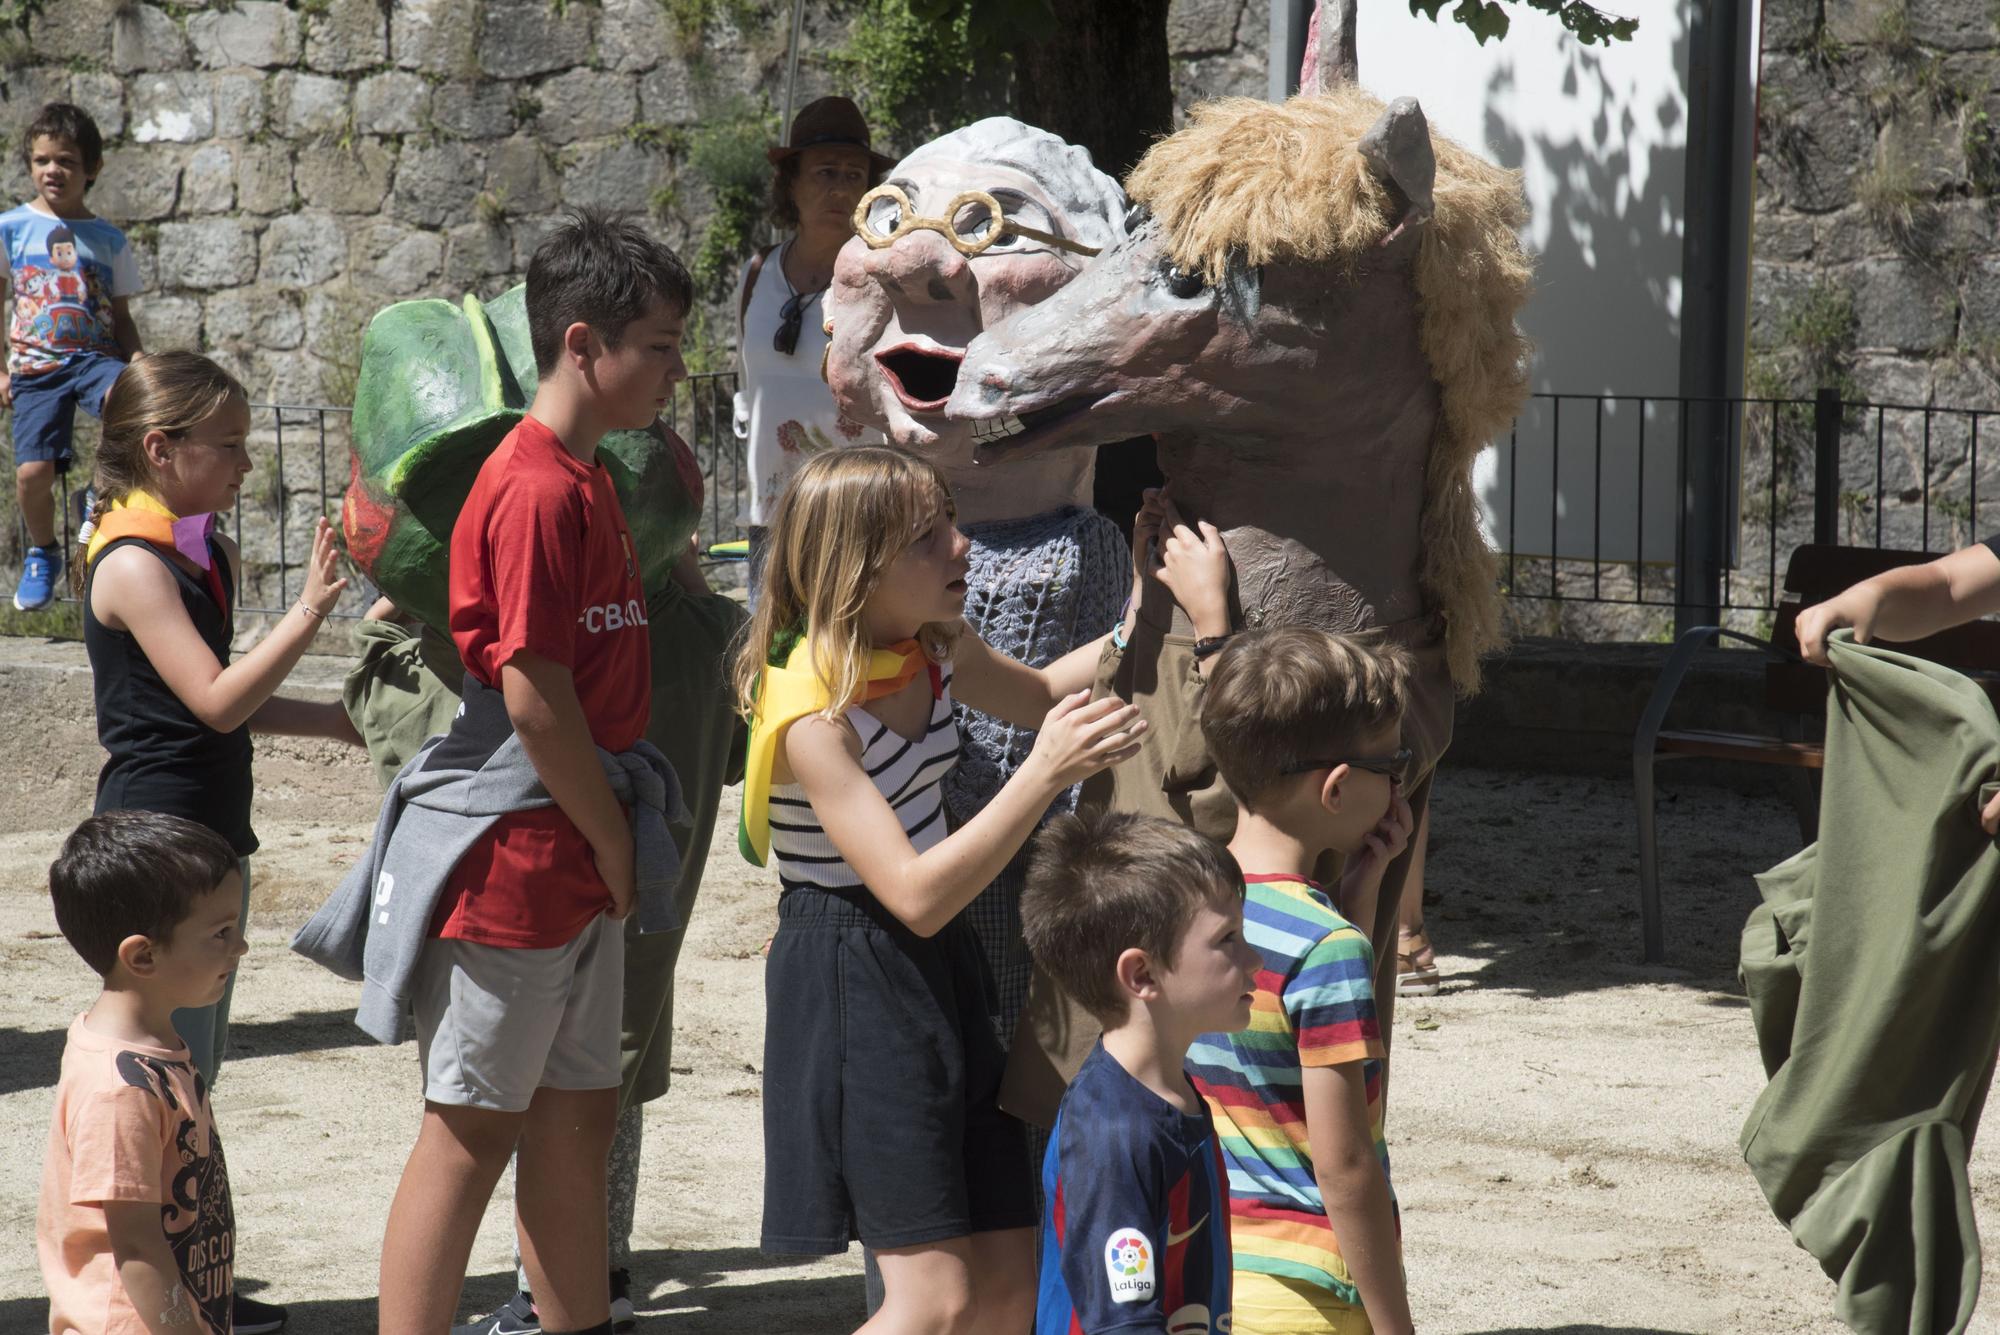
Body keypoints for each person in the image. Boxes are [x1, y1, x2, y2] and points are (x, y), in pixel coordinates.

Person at [733, 444, 1233, 1333]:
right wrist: (1041, 778)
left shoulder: (927, 645)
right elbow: (914, 894)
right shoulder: (814, 718)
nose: (964, 548)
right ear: (860, 569)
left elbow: (1041, 692)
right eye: (932, 539)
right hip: (854, 974)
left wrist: (1144, 609)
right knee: (934, 1299)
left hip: (937, 967)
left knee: (1009, 1283)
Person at [370, 210, 687, 1335]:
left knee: (577, 1122)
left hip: (574, 856)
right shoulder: (537, 486)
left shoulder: (591, 475)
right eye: (657, 346)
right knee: (468, 1138)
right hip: (515, 867)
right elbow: (533, 699)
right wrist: (611, 840)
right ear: (583, 344)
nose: (673, 372)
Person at [79, 350, 356, 1335]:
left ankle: (189, 1282)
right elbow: (211, 696)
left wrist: (331, 718)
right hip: (156, 847)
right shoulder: (131, 562)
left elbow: (220, 707)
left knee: (191, 1076)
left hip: (206, 843)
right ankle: (163, 1295)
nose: (245, 464)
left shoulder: (199, 549)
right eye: (227, 446)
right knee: (162, 1079)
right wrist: (315, 611)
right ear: (161, 448)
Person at [1186, 627, 1417, 1335]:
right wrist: (1394, 1324)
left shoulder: (1183, 903)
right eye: (1394, 766)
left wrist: (1358, 895)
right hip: (1310, 1297)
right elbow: (1343, 1164)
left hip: (1207, 1273)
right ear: (1339, 786)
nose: (1400, 784)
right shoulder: (1327, 948)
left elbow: (1265, 1052)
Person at [1017, 808, 1260, 1335]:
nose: (1255, 958)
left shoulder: (1172, 1090)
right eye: (1228, 939)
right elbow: (1121, 1324)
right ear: (1142, 973)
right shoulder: (1113, 1133)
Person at [38, 810, 250, 1335]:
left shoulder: (152, 1045)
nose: (240, 947)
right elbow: (134, 1243)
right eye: (221, 933)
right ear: (144, 956)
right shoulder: (118, 1088)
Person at [732, 95, 888, 602]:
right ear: (791, 184)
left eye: (853, 174)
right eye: (824, 172)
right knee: (773, 669)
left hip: (859, 516)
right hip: (772, 522)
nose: (840, 187)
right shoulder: (756, 274)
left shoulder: (881, 278)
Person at [3, 102, 144, 612]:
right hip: (36, 367)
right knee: (32, 475)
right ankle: (44, 551)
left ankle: (99, 499)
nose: (52, 171)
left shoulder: (107, 239)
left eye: (64, 160)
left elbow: (122, 317)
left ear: (91, 169)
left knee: (125, 401)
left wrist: (140, 364)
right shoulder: (12, 227)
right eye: (42, 160)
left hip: (92, 356)